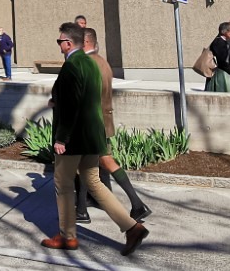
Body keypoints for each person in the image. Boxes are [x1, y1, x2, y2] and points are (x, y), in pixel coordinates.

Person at [43, 22, 149, 255]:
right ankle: (132, 227)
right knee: (94, 182)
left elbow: (72, 106)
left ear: (68, 43)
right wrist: (58, 101)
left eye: (60, 41)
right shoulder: (92, 63)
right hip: (93, 135)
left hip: (74, 138)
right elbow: (85, 98)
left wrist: (61, 138)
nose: (59, 45)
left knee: (63, 184)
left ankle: (68, 237)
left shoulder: (72, 66)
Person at [83, 28, 150, 221]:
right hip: (104, 119)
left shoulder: (88, 63)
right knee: (102, 161)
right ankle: (133, 204)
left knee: (89, 163)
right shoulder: (102, 61)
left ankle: (82, 210)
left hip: (92, 121)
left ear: (85, 42)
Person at [205, 22, 230, 92]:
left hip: (222, 71)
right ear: (225, 32)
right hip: (220, 73)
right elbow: (221, 61)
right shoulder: (219, 42)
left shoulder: (222, 41)